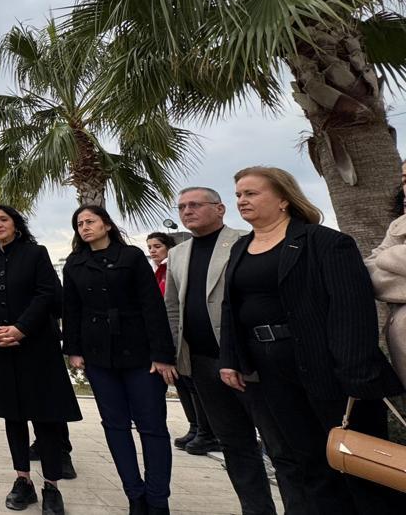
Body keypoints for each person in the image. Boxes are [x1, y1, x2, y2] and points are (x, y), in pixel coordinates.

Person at [219, 166, 405, 514]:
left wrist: (354, 373)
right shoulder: (241, 248)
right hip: (271, 372)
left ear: (284, 199)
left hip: (331, 372)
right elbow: (232, 307)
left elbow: (352, 309)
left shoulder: (325, 242)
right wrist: (231, 358)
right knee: (308, 462)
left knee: (358, 466)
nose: (242, 200)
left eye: (251, 193)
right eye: (239, 194)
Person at [163, 187, 293, 514]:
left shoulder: (246, 242)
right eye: (181, 206)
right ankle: (256, 508)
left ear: (220, 209)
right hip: (203, 363)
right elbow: (173, 310)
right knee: (235, 445)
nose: (187, 211)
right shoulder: (179, 253)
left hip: (248, 362)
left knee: (280, 446)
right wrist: (173, 355)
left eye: (195, 204)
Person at [63, 205, 177, 515]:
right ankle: (134, 494)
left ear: (107, 225)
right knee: (114, 426)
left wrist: (163, 355)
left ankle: (157, 498)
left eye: (90, 221)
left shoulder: (132, 257)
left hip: (140, 352)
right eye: (79, 223)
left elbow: (153, 306)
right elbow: (71, 310)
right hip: (99, 355)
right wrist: (73, 350)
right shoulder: (75, 263)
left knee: (152, 426)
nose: (84, 227)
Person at [0, 205, 80, 515]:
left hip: (36, 348)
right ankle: (23, 481)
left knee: (45, 418)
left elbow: (47, 293)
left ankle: (52, 487)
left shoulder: (36, 253)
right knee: (13, 417)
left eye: (3, 219)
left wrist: (20, 328)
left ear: (16, 224)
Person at [148, 230, 219, 456]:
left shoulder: (173, 266)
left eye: (157, 247)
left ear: (169, 247)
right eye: (149, 248)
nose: (153, 252)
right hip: (169, 334)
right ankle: (196, 427)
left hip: (184, 333)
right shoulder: (159, 271)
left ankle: (207, 431)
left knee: (193, 383)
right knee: (183, 383)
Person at [364, 160, 406, 387]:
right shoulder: (398, 225)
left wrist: (389, 257)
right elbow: (369, 272)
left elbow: (380, 260)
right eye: (405, 180)